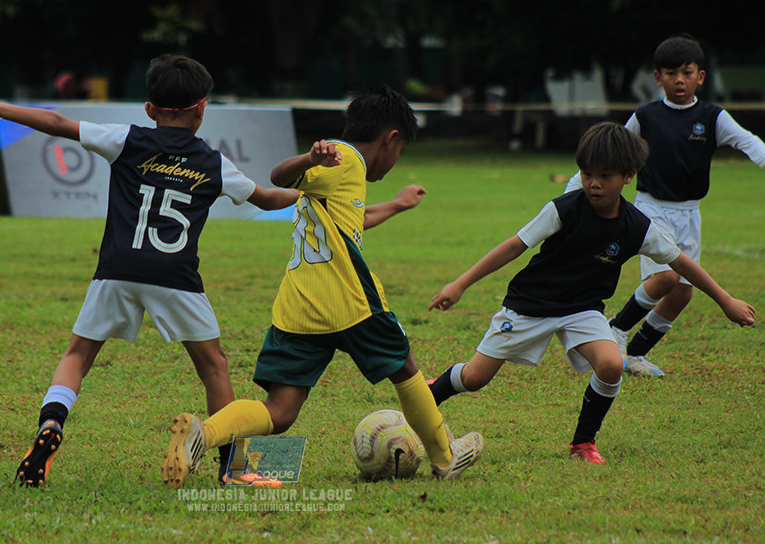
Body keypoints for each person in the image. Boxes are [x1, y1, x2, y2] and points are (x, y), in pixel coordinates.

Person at [0, 54, 300, 488]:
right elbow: (266, 199)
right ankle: (234, 468)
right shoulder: (213, 163)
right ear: (202, 108)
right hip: (177, 278)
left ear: (150, 110)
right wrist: (310, 188)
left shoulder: (128, 139)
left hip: (116, 269)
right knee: (213, 368)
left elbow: (57, 122)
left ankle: (52, 424)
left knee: (78, 354)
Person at [162, 86, 484, 490]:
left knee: (279, 412)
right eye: (399, 152)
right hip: (349, 302)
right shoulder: (343, 157)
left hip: (298, 306)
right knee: (404, 366)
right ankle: (445, 457)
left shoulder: (341, 176)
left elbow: (351, 221)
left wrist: (398, 205)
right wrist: (310, 158)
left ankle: (202, 436)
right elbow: (280, 175)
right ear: (391, 139)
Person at [427, 122, 755, 464]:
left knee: (612, 364)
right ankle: (425, 397)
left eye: (605, 176)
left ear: (628, 176)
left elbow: (682, 264)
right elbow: (514, 245)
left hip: (582, 310)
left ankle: (582, 444)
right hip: (530, 305)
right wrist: (460, 283)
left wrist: (725, 300)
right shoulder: (563, 209)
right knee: (475, 378)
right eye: (587, 174)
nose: (594, 184)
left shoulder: (638, 227)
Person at [565, 35, 765, 377]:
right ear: (658, 77)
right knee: (667, 276)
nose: (679, 80)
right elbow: (607, 155)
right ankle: (616, 328)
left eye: (687, 73)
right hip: (650, 208)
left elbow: (751, 143)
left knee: (682, 294)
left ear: (700, 76)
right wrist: (571, 194)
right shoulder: (645, 116)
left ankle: (637, 355)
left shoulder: (713, 117)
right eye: (671, 73)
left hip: (690, 212)